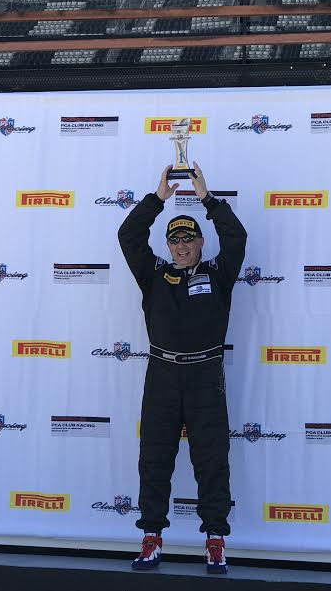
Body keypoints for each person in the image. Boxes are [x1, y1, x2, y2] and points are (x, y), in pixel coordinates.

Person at [117, 162, 247, 574]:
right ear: (168, 246)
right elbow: (128, 235)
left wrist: (207, 198)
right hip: (162, 375)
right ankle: (151, 537)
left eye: (189, 239)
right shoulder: (153, 274)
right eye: (175, 240)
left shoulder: (218, 273)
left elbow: (236, 236)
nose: (182, 246)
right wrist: (157, 199)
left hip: (206, 376)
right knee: (155, 457)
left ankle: (215, 541)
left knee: (212, 458)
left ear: (201, 241)